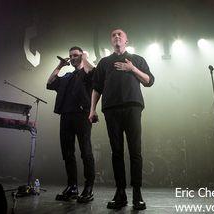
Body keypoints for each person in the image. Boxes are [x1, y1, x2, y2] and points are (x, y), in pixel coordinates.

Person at [89, 28, 154, 210]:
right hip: (111, 110)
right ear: (111, 41)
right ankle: (120, 193)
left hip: (132, 107)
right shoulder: (104, 62)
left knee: (135, 151)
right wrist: (92, 110)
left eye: (120, 34)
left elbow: (149, 80)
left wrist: (132, 68)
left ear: (126, 40)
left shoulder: (137, 59)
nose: (116, 36)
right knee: (116, 152)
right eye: (113, 35)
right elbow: (96, 88)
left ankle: (137, 194)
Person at [47, 46, 95, 203]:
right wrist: (60, 66)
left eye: (76, 55)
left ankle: (88, 187)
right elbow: (50, 82)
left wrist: (85, 58)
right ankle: (72, 186)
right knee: (67, 153)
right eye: (71, 56)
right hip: (66, 117)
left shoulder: (86, 73)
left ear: (81, 56)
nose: (73, 58)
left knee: (85, 153)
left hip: (82, 116)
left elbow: (94, 74)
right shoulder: (67, 76)